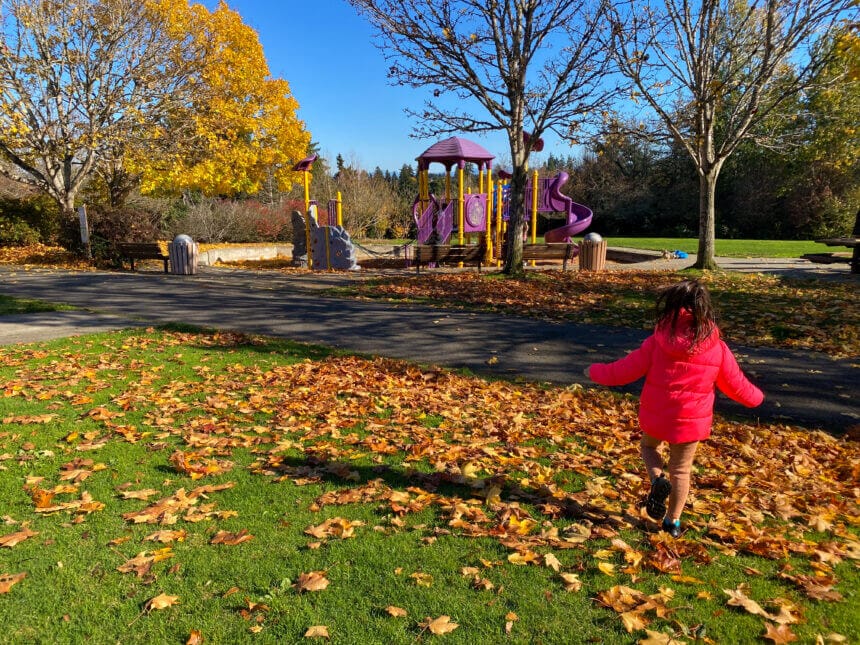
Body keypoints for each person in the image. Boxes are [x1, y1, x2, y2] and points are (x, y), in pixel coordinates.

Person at [585, 279, 764, 537]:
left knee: (648, 447)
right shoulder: (717, 348)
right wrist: (757, 398)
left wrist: (594, 372)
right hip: (691, 421)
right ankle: (673, 522)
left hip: (657, 414)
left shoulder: (658, 341)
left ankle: (658, 481)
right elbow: (736, 384)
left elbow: (623, 370)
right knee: (681, 470)